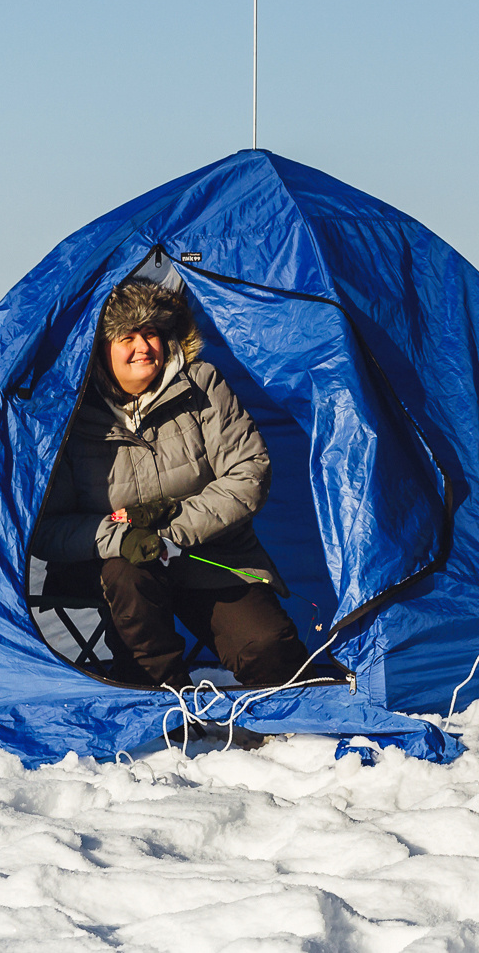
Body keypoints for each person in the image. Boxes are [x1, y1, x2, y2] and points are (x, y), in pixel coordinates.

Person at [29, 279, 325, 689]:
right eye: (126, 336)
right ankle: (160, 702)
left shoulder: (201, 383)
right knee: (127, 574)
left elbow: (248, 472)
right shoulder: (71, 413)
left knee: (269, 651)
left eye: (151, 333)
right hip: (118, 571)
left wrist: (171, 529)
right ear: (99, 347)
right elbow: (46, 527)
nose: (143, 347)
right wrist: (123, 540)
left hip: (213, 555)